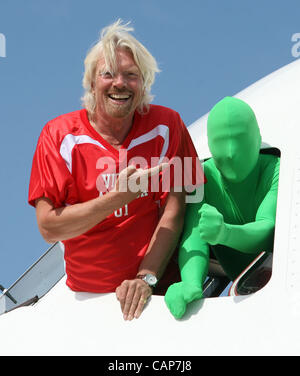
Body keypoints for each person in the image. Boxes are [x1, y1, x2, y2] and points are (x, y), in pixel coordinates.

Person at [28, 19, 203, 321]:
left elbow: (178, 208)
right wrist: (116, 199)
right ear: (92, 83)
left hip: (155, 293)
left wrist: (145, 277)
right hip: (88, 302)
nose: (119, 83)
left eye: (131, 75)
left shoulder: (169, 125)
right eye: (108, 74)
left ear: (144, 83)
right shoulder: (58, 136)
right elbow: (48, 227)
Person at [165, 96, 280, 319]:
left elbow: (268, 229)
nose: (229, 152)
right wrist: (190, 282)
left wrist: (225, 233)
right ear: (209, 144)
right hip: (242, 294)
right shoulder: (203, 177)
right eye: (220, 141)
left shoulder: (273, 169)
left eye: (238, 139)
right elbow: (193, 235)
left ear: (257, 137)